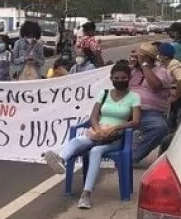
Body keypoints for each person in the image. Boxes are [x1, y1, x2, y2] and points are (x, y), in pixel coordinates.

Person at [44, 62, 140, 209]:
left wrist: (115, 127)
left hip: (116, 137)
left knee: (95, 151)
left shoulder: (134, 97)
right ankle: (62, 160)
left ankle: (86, 194)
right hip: (97, 132)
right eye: (117, 78)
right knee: (77, 141)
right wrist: (98, 129)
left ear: (129, 78)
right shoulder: (104, 93)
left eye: (123, 78)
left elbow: (135, 122)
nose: (120, 80)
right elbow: (93, 117)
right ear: (111, 78)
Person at [129, 42, 173, 164]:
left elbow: (155, 85)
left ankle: (132, 156)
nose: (134, 58)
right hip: (129, 110)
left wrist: (144, 65)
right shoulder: (132, 71)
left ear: (147, 58)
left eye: (138, 56)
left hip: (150, 112)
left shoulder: (161, 71)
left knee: (160, 128)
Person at [157, 42, 181, 132]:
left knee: (174, 120)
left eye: (159, 54)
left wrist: (176, 96)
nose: (158, 56)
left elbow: (180, 80)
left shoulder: (174, 64)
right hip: (172, 97)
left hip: (177, 98)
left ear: (166, 56)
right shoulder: (165, 64)